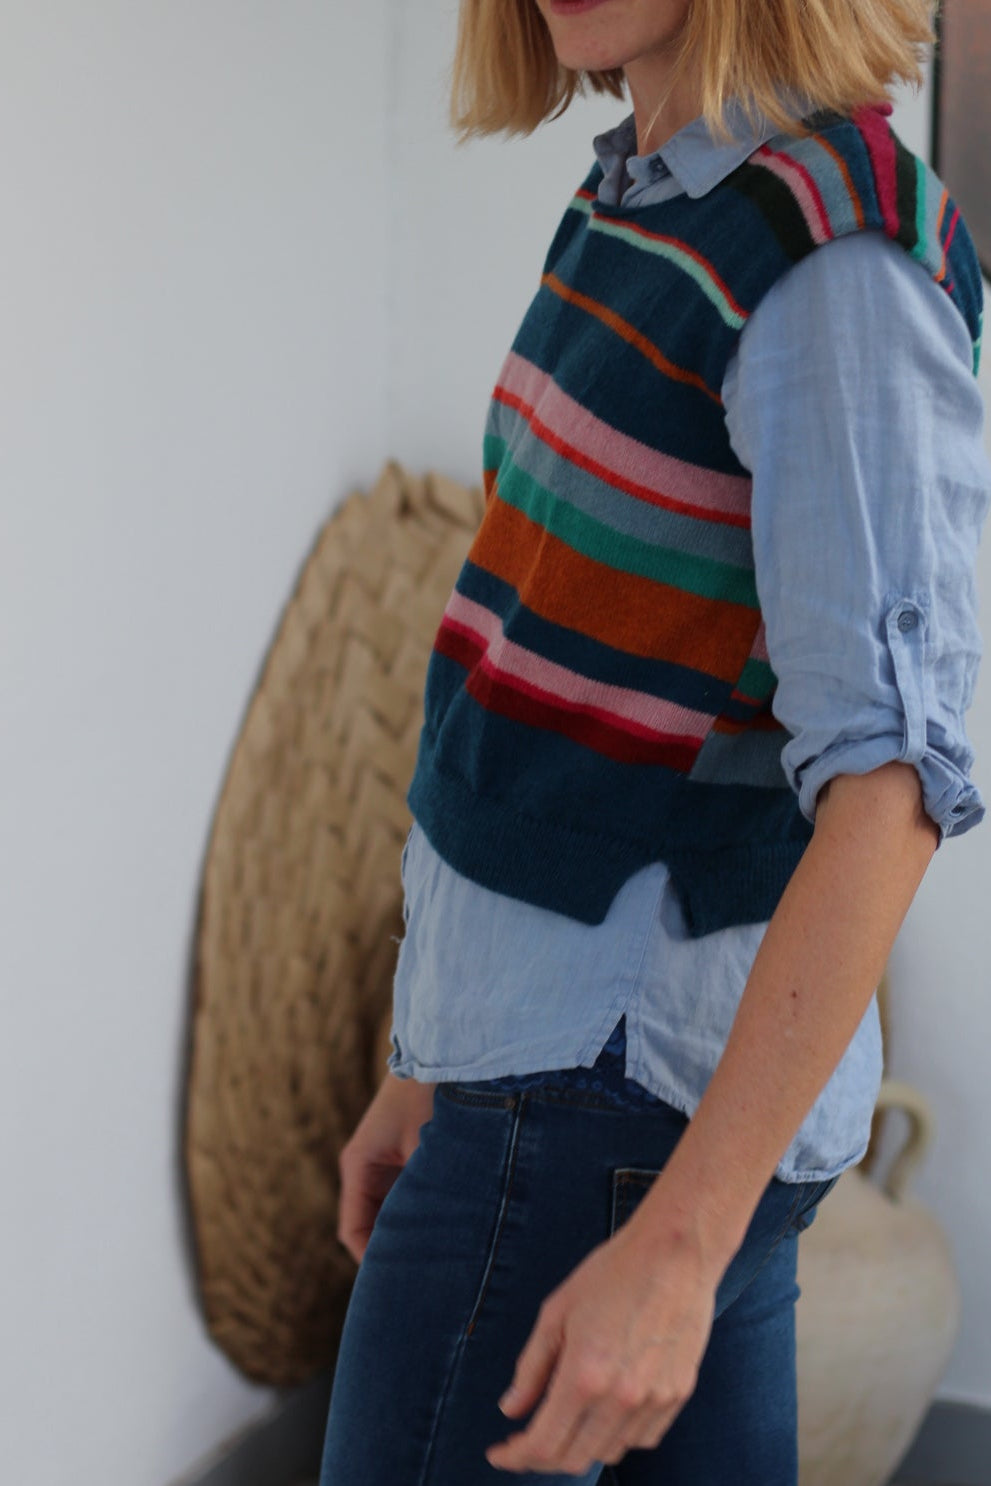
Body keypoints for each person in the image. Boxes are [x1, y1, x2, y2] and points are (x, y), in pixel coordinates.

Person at [319, 1, 991, 1481]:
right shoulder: (654, 190)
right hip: (549, 1093)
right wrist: (432, 1065)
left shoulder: (834, 262)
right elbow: (545, 684)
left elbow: (890, 792)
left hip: (607, 1121)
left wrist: (678, 1242)